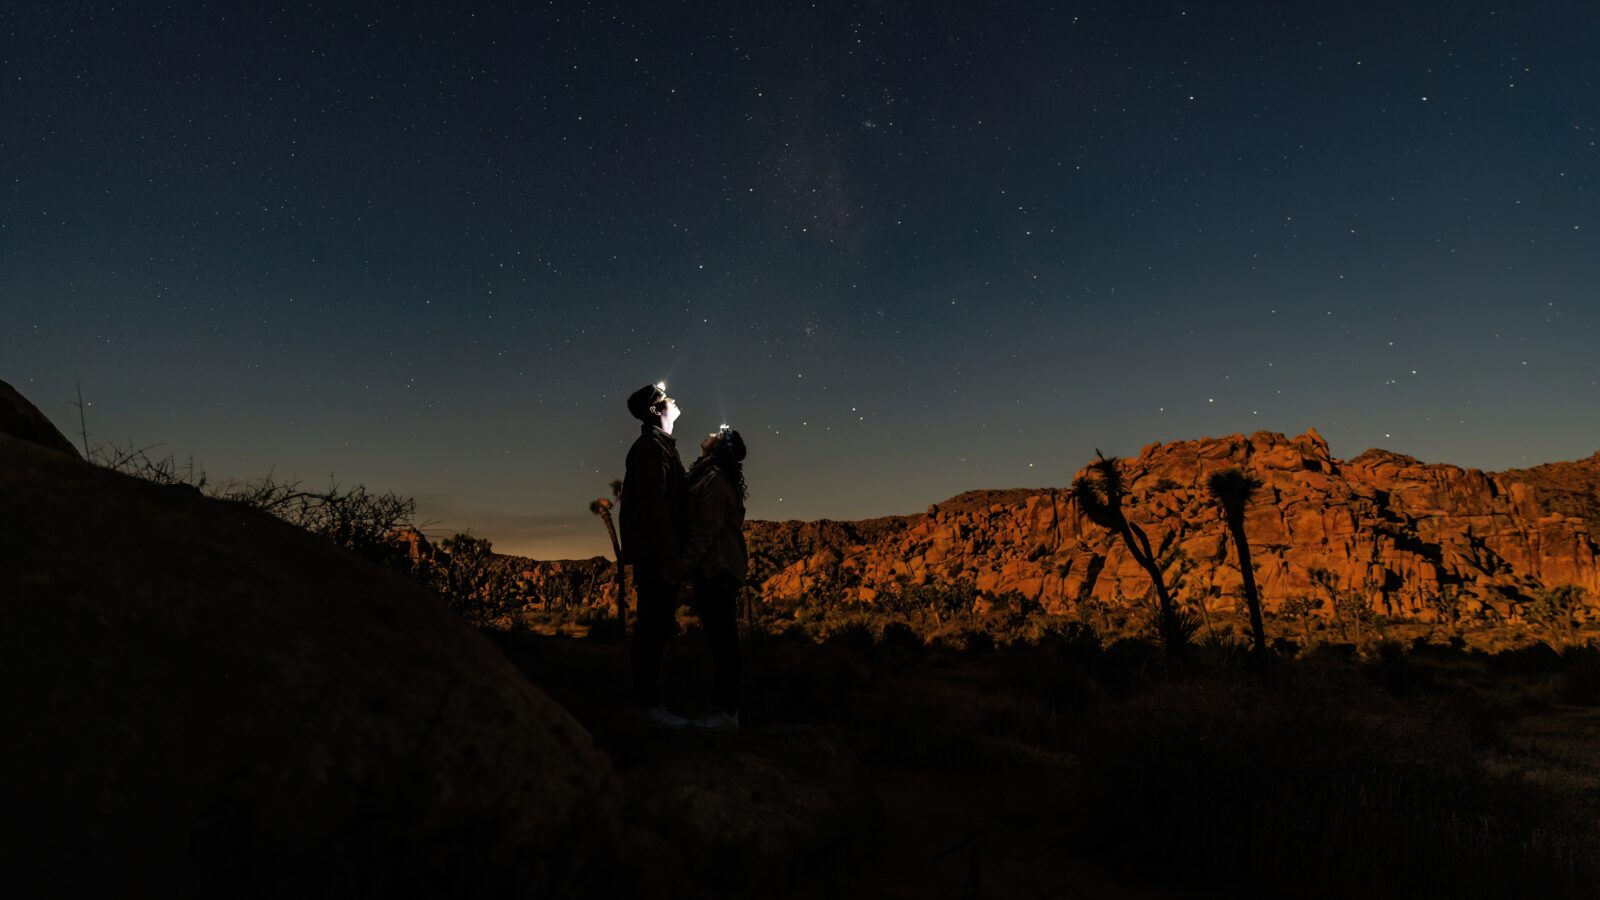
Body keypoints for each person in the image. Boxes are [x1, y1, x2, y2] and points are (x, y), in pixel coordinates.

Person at [620, 382, 690, 729]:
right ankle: (647, 705)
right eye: (665, 397)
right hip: (657, 555)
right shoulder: (651, 450)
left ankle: (648, 702)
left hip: (657, 552)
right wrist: (670, 556)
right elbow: (655, 507)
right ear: (653, 410)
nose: (673, 399)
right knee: (652, 627)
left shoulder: (660, 447)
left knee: (655, 626)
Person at [673, 426, 747, 731]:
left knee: (722, 641)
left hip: (718, 568)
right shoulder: (711, 475)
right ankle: (723, 709)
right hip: (718, 568)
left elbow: (707, 529)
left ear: (720, 449)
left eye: (720, 433)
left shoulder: (715, 481)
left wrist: (682, 566)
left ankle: (726, 712)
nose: (713, 431)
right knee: (721, 639)